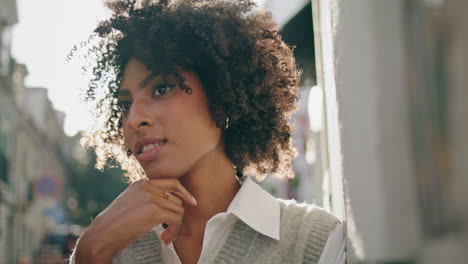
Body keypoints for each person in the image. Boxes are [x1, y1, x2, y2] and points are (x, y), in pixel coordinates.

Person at [69, 0, 346, 263]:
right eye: (126, 104)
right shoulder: (107, 249)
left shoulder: (312, 241)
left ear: (221, 100)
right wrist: (89, 252)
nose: (132, 121)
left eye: (162, 88)